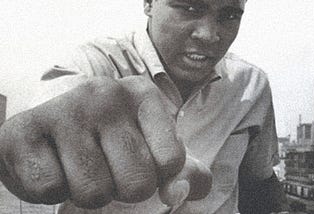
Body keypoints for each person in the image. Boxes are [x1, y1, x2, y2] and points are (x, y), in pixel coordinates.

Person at [0, 0, 289, 213]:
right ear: (149, 3)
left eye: (228, 15)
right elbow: (56, 100)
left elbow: (259, 181)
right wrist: (34, 134)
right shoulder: (98, 62)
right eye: (190, 8)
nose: (209, 34)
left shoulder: (251, 86)